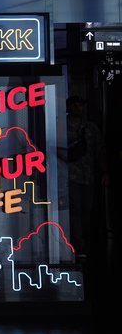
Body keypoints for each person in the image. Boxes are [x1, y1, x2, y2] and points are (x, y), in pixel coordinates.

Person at [59, 95, 107, 258]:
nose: (79, 108)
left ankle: (84, 241)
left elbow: (99, 151)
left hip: (87, 175)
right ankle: (79, 244)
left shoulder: (90, 128)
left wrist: (105, 171)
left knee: (86, 209)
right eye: (76, 105)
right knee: (75, 209)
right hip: (70, 175)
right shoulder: (62, 126)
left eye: (80, 105)